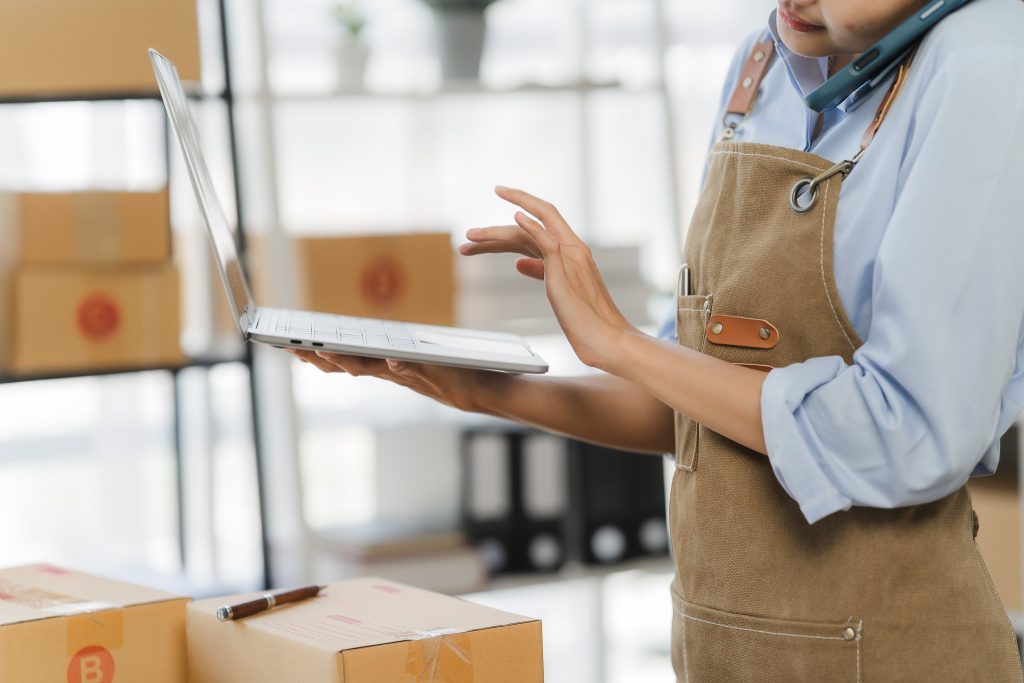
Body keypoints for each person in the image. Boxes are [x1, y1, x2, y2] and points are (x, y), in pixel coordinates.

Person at [292, 0, 1024, 678]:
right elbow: (700, 407)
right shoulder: (761, 64)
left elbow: (905, 435)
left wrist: (617, 340)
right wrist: (486, 389)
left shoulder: (985, 59)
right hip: (723, 653)